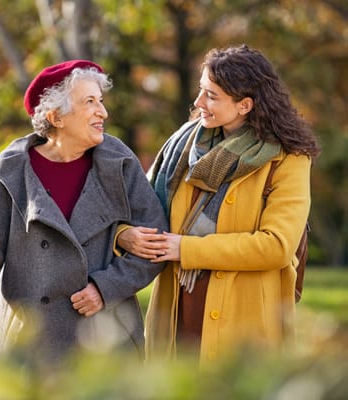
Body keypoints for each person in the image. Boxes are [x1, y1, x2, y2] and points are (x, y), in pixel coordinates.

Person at [0, 60, 168, 368]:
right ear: (56, 116)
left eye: (101, 101)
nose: (103, 112)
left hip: (107, 339)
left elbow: (156, 241)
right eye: (90, 102)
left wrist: (105, 287)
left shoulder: (119, 162)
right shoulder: (10, 172)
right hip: (32, 343)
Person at [116, 45, 321, 364]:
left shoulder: (288, 160)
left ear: (244, 105)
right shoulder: (181, 149)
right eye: (201, 91)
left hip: (245, 321)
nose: (198, 103)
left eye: (211, 95)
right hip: (177, 311)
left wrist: (187, 249)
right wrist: (124, 235)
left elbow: (277, 246)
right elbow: (137, 210)